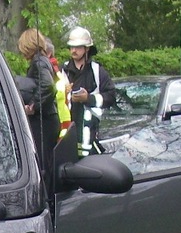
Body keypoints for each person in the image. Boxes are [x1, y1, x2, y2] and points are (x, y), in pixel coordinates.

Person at [61, 26, 117, 156]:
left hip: (90, 138)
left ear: (87, 49)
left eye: (78, 47)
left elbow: (111, 96)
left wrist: (88, 99)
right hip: (67, 136)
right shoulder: (62, 71)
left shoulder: (97, 71)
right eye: (71, 47)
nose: (73, 50)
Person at [16, 29, 60, 178]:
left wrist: (33, 106)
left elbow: (47, 85)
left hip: (44, 121)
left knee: (42, 163)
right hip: (48, 119)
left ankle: (46, 196)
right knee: (44, 161)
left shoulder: (39, 62)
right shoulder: (42, 60)